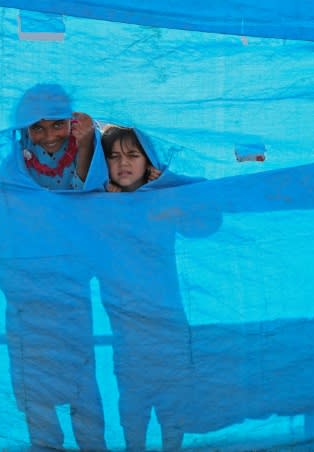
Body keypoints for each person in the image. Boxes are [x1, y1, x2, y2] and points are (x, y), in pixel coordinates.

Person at [0, 84, 108, 451]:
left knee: (82, 387)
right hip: (27, 302)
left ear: (72, 124)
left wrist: (87, 144)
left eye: (57, 125)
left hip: (70, 297)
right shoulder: (12, 170)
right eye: (37, 128)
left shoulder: (84, 158)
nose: (49, 136)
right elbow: (3, 239)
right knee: (35, 392)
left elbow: (95, 202)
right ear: (24, 131)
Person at [96, 125, 221, 450]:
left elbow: (208, 221)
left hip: (169, 327)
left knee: (173, 403)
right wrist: (111, 212)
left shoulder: (163, 204)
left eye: (133, 155)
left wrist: (168, 182)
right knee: (133, 406)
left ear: (148, 163)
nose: (123, 163)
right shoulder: (99, 205)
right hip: (128, 332)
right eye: (113, 156)